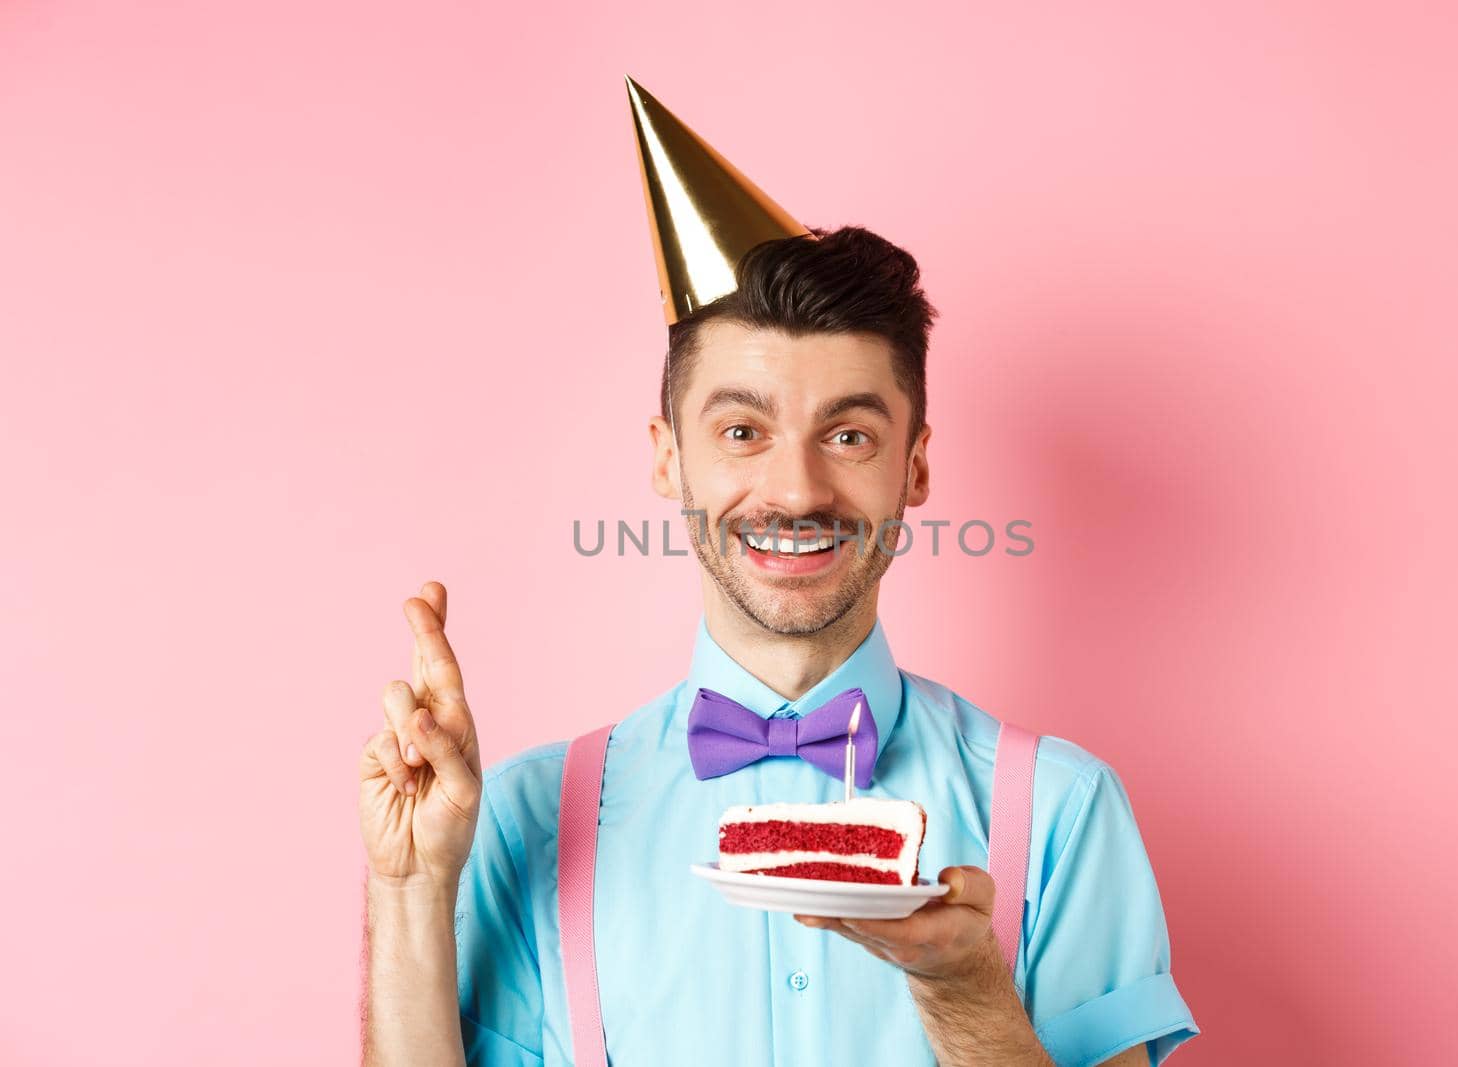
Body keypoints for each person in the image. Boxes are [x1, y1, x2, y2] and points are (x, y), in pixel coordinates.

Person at [358, 77, 1198, 1067]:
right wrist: (411, 892)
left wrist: (967, 994)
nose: (795, 489)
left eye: (846, 432)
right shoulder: (522, 816)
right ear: (669, 455)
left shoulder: (1060, 808)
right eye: (742, 430)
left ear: (914, 464)